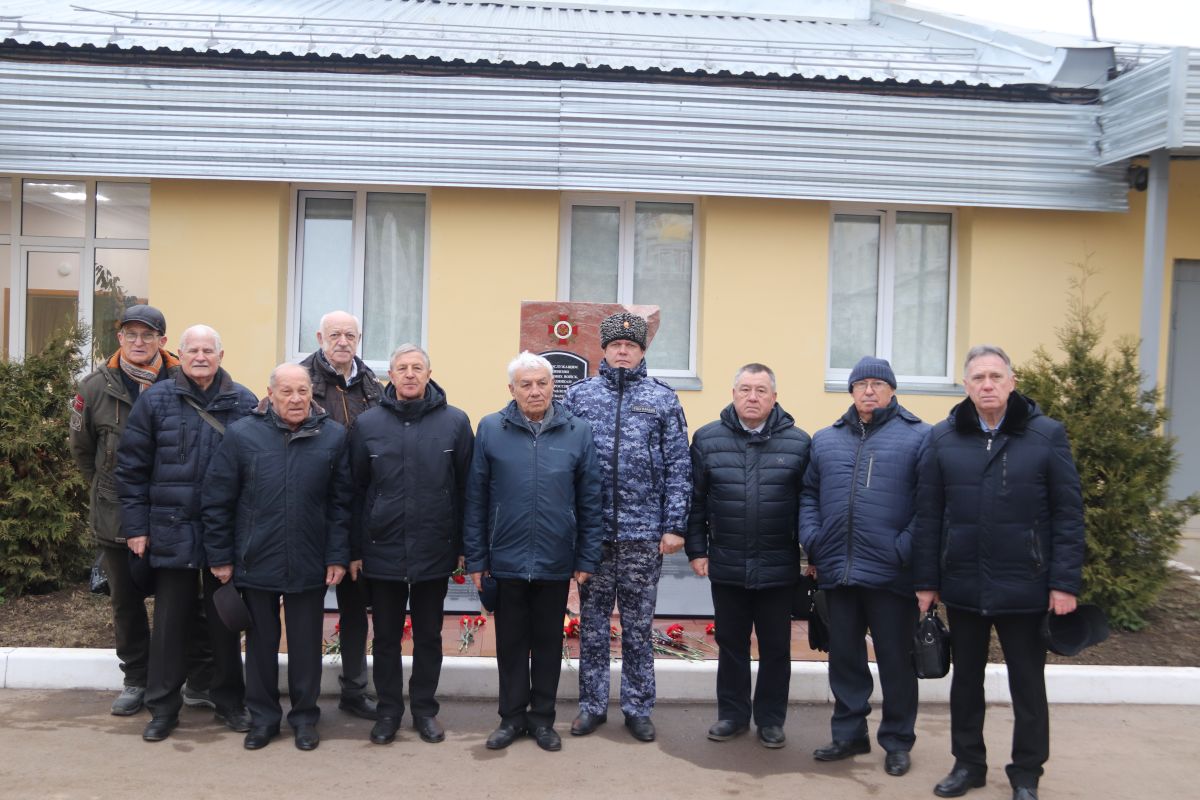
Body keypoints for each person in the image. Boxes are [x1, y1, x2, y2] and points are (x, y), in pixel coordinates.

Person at [914, 345, 1085, 800]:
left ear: (1012, 382)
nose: (987, 385)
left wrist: (1064, 582)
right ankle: (968, 764)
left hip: (1025, 583)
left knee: (1027, 685)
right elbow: (929, 515)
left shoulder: (1046, 435)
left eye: (995, 376)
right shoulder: (943, 438)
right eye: (978, 378)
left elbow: (1068, 514)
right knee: (965, 682)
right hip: (964, 582)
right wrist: (926, 582)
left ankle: (1026, 773)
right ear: (966, 386)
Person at [69, 305, 213, 716]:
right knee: (126, 601)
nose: (138, 342)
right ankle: (136, 678)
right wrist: (110, 490)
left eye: (147, 335)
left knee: (188, 599)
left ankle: (197, 679)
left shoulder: (184, 378)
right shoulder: (94, 387)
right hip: (117, 512)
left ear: (162, 341)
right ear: (119, 338)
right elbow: (82, 452)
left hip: (177, 512)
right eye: (130, 334)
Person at [115, 324, 257, 742]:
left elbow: (257, 470)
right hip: (169, 528)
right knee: (170, 624)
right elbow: (131, 468)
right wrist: (136, 528)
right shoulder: (156, 400)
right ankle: (162, 707)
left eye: (208, 350)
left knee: (224, 622)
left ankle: (229, 702)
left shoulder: (244, 401)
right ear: (180, 354)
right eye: (192, 350)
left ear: (221, 355)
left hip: (224, 533)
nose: (200, 357)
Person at [202, 363, 352, 752]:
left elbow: (341, 504)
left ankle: (304, 718)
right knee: (260, 645)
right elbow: (217, 499)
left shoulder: (333, 437)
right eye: (287, 392)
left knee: (305, 646)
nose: (296, 399)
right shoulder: (242, 435)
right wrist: (220, 556)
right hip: (256, 557)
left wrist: (337, 555)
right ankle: (264, 719)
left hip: (309, 559)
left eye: (302, 391)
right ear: (270, 395)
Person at [463, 352, 603, 752]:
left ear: (553, 385)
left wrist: (586, 557)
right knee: (509, 646)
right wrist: (477, 558)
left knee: (547, 646)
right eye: (526, 384)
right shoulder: (491, 429)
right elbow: (476, 498)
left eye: (542, 383)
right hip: (505, 560)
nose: (535, 391)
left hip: (555, 560)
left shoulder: (578, 431)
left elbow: (590, 498)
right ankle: (510, 718)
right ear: (512, 389)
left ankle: (542, 720)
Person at [564, 312, 691, 743]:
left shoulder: (662, 399)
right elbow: (564, 464)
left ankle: (638, 708)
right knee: (593, 625)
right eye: (616, 345)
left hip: (643, 533)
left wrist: (674, 525)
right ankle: (592, 705)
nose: (623, 351)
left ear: (641, 352)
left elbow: (679, 465)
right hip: (594, 534)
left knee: (638, 627)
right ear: (604, 350)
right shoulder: (580, 396)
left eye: (631, 346)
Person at [800, 356, 930, 776]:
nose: (869, 391)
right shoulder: (826, 439)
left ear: (892, 390)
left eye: (878, 384)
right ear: (851, 391)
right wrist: (814, 539)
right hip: (838, 569)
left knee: (896, 661)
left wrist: (901, 548)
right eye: (861, 384)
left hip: (892, 573)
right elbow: (809, 495)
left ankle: (897, 741)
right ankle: (848, 734)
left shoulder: (919, 436)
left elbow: (930, 506)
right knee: (845, 659)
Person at [348, 344, 474, 746]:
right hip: (381, 549)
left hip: (434, 548)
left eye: (417, 367)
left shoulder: (455, 422)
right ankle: (388, 712)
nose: (409, 374)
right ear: (390, 375)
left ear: (429, 374)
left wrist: (463, 545)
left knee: (429, 637)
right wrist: (354, 550)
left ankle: (424, 710)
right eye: (401, 368)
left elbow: (466, 488)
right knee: (385, 638)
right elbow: (355, 490)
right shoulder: (368, 424)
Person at [686, 363, 810, 749]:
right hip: (727, 563)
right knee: (731, 643)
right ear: (733, 394)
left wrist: (812, 557)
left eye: (760, 390)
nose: (752, 397)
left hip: (778, 566)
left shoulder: (799, 443)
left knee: (776, 648)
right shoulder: (707, 439)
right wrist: (697, 550)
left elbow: (808, 505)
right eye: (745, 389)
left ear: (774, 397)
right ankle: (732, 715)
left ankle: (771, 720)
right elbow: (696, 502)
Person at [300, 310, 383, 720]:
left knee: (355, 608)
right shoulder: (300, 381)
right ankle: (305, 696)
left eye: (350, 335)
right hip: (310, 511)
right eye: (335, 334)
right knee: (305, 610)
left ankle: (354, 689)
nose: (343, 341)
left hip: (357, 512)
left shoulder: (373, 386)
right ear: (320, 337)